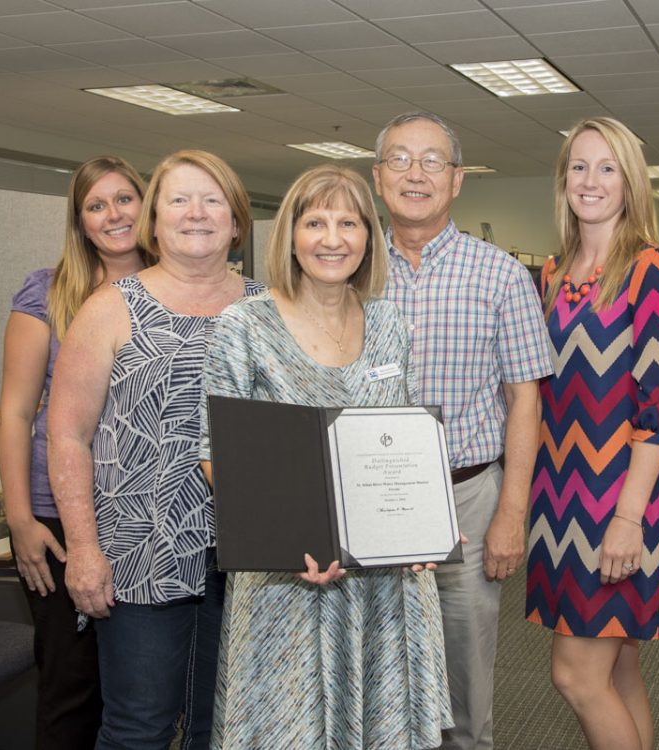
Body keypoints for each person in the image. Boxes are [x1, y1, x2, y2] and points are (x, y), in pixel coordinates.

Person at [199, 163, 452, 750]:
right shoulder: (245, 326)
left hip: (385, 585)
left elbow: (403, 436)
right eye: (315, 222)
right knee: (289, 730)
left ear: (370, 237)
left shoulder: (391, 325)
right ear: (290, 234)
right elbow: (218, 456)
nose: (332, 238)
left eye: (349, 222)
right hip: (286, 581)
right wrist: (287, 542)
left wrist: (419, 529)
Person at [47, 150, 265, 750]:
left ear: (236, 220)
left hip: (248, 558)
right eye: (178, 200)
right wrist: (83, 550)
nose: (196, 213)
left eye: (212, 200)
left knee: (219, 727)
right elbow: (67, 434)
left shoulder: (269, 310)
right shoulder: (110, 308)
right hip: (138, 555)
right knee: (138, 728)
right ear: (155, 221)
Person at [372, 111, 552, 749]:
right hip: (370, 498)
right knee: (374, 670)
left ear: (456, 181)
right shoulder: (349, 271)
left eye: (432, 161)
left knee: (464, 677)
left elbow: (524, 401)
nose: (415, 174)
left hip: (467, 498)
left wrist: (512, 511)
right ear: (377, 176)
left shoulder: (501, 275)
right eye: (399, 159)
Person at [525, 117, 659, 750]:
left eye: (607, 168)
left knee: (576, 677)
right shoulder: (550, 274)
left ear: (631, 183)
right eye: (578, 166)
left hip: (619, 497)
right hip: (557, 496)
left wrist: (628, 518)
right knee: (619, 669)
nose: (590, 181)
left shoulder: (654, 270)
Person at [0, 156, 147, 749]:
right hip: (55, 515)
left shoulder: (180, 288)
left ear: (148, 203)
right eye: (96, 205)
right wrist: (19, 519)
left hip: (144, 516)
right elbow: (15, 412)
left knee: (140, 692)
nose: (113, 215)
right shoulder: (49, 292)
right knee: (72, 686)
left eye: (124, 198)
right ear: (80, 221)